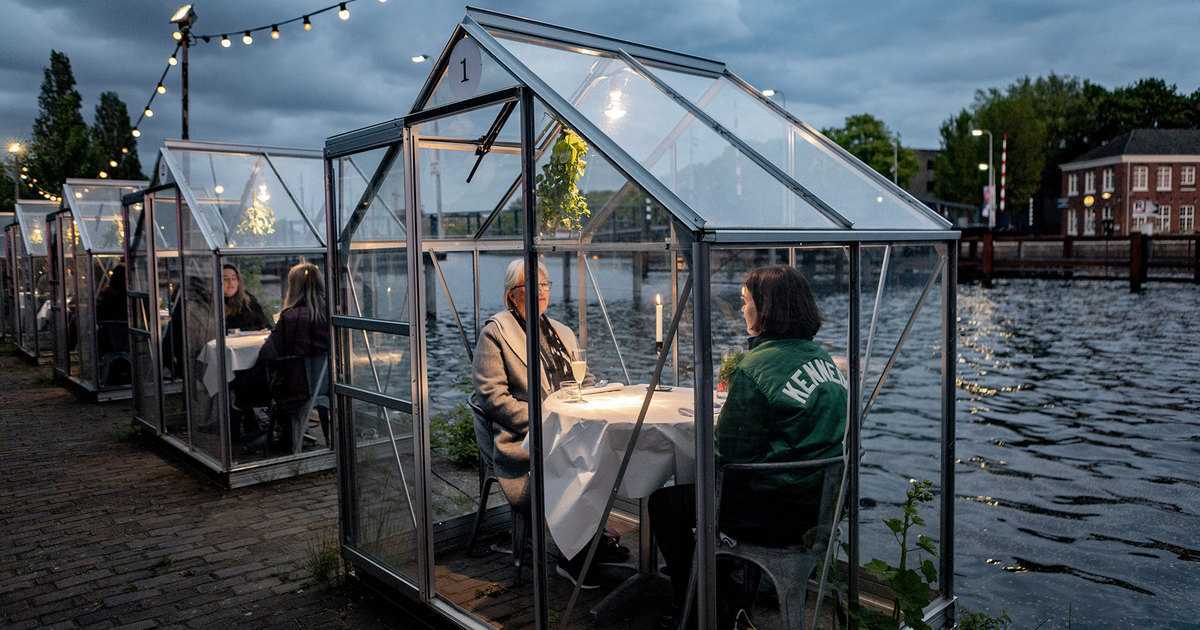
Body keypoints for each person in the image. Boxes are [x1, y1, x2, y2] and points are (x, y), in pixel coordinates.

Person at [648, 265, 847, 626]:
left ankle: (700, 613)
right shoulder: (824, 361)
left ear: (766, 308)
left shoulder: (756, 367)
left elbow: (727, 458)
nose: (742, 310)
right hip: (820, 508)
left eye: (745, 302)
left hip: (774, 513)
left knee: (666, 504)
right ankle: (730, 595)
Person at [471, 259, 610, 588]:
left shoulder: (561, 332)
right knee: (579, 464)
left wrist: (599, 393)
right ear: (511, 295)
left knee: (607, 453)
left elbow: (583, 380)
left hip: (569, 431)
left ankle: (589, 539)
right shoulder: (497, 332)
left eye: (545, 285)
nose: (540, 293)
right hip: (524, 438)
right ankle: (576, 555)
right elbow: (492, 396)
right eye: (530, 287)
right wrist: (545, 420)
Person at [258, 262, 331, 451]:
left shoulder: (290, 316)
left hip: (298, 387)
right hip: (330, 384)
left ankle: (273, 433)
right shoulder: (332, 314)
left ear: (293, 287)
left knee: (257, 376)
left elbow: (268, 353)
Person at [222, 264, 272, 332]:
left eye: (233, 278)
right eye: (225, 279)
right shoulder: (213, 305)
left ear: (238, 282)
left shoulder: (248, 300)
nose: (231, 282)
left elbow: (266, 326)